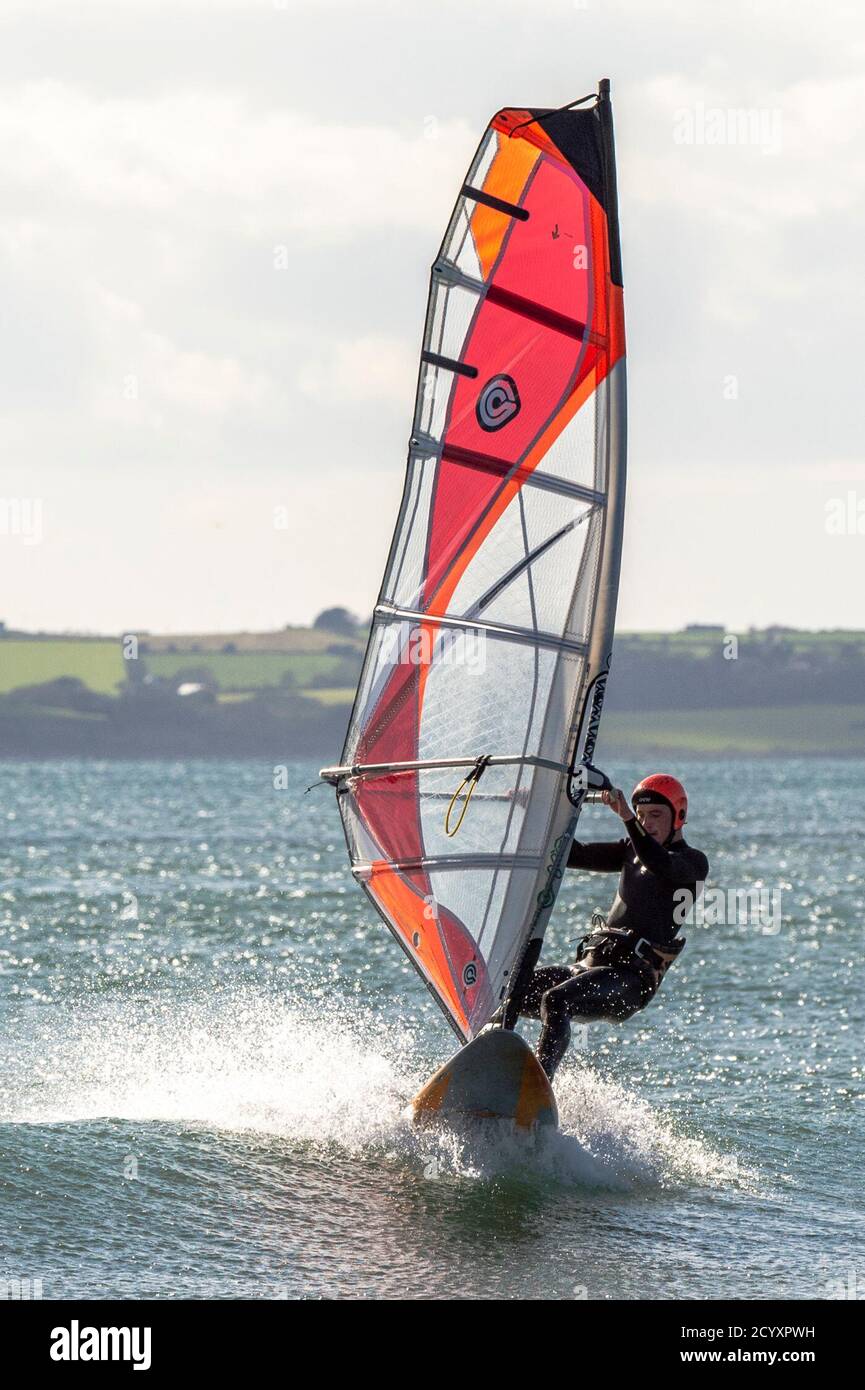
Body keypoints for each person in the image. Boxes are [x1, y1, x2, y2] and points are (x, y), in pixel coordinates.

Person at [519, 774, 709, 1080]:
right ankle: (486, 1063)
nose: (646, 823)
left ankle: (536, 1086)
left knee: (556, 1000)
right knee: (513, 991)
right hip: (589, 966)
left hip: (630, 980)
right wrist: (532, 810)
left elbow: (658, 862)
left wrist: (627, 817)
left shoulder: (692, 863)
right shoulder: (630, 851)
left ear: (679, 816)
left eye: (655, 815)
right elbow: (569, 853)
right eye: (641, 815)